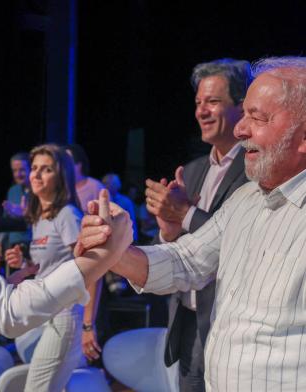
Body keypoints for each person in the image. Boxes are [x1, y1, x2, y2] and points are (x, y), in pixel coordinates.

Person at [77, 56, 306, 391]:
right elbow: (186, 260)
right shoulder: (245, 200)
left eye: (257, 117)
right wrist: (115, 249)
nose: (241, 129)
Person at [0, 57, 132, 391]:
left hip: (55, 315)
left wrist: (86, 319)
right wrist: (104, 255)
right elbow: (6, 308)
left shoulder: (66, 215)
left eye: (45, 168)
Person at [145, 59, 250, 391]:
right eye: (198, 103)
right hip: (188, 321)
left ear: (242, 107)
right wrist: (169, 229)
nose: (202, 111)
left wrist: (186, 213)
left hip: (229, 325)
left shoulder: (256, 168)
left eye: (213, 102)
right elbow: (179, 248)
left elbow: (240, 240)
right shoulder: (191, 171)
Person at [5, 144, 85, 391]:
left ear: (61, 176)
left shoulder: (68, 215)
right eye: (35, 168)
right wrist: (25, 266)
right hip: (43, 313)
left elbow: (89, 269)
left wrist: (89, 325)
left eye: (46, 169)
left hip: (63, 316)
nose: (36, 175)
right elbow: (48, 266)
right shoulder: (41, 217)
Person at [66, 143, 104, 361]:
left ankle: (93, 359)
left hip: (92, 252)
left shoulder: (94, 186)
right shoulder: (63, 189)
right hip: (69, 258)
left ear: (79, 164)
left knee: (90, 305)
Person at [0, 152, 32, 262]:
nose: (18, 174)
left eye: (22, 170)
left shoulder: (38, 190)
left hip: (32, 243)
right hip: (13, 244)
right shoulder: (12, 190)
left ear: (30, 169)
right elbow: (7, 220)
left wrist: (24, 215)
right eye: (15, 170)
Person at [102, 173, 138, 242]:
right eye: (104, 183)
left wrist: (134, 238)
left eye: (107, 183)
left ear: (117, 185)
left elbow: (132, 221)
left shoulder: (126, 201)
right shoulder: (101, 201)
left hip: (124, 239)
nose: (105, 185)